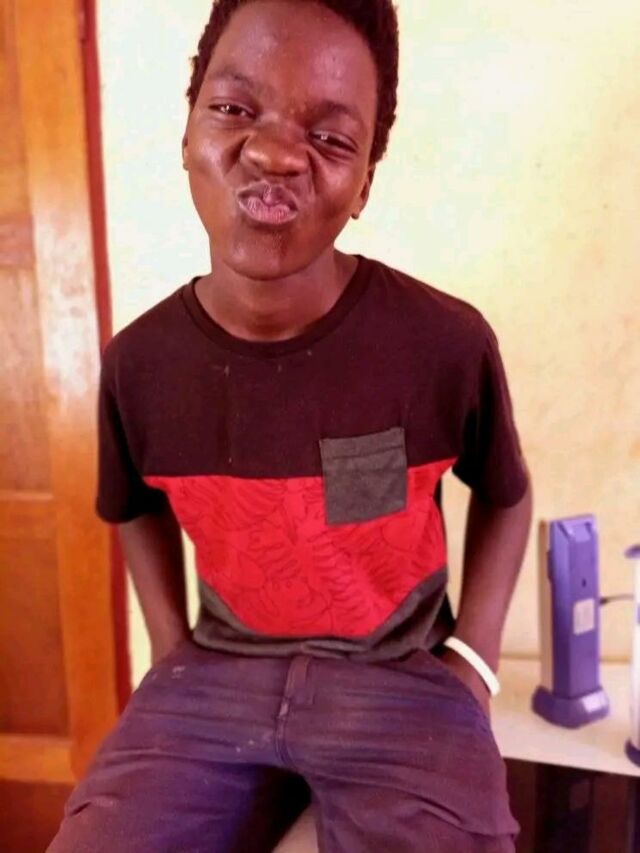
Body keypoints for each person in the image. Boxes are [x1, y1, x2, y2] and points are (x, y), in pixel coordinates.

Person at [50, 1, 532, 850]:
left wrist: (475, 660)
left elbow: (506, 494)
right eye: (235, 108)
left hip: (400, 681)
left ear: (365, 182)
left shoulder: (443, 344)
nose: (274, 154)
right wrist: (170, 649)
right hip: (215, 681)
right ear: (188, 132)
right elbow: (132, 506)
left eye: (331, 137)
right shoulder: (139, 365)